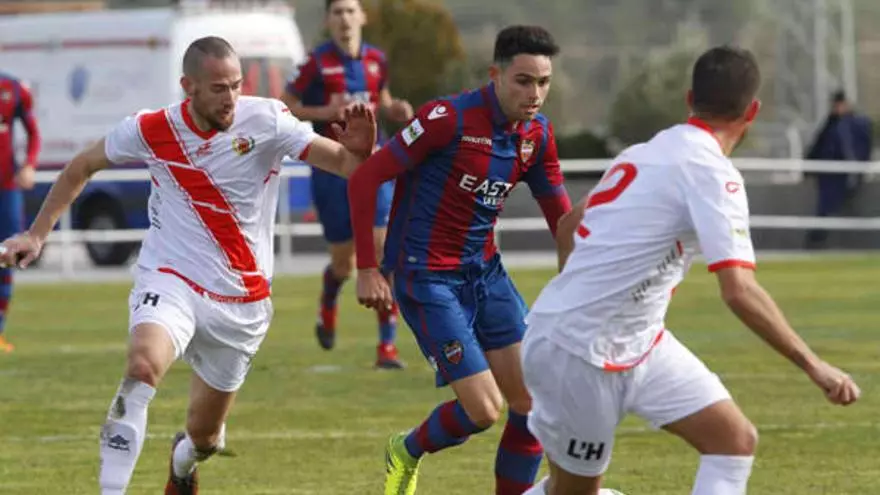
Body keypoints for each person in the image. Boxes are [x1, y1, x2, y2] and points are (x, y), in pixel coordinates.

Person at [0, 36, 378, 495]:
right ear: (188, 87)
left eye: (236, 85)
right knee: (142, 367)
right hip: (171, 277)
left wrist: (361, 153)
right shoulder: (151, 128)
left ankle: (183, 461)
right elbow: (82, 166)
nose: (231, 98)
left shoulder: (268, 120)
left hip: (243, 301)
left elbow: (347, 167)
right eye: (219, 88)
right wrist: (36, 234)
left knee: (205, 438)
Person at [519, 46, 861, 495]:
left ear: (689, 99)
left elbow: (568, 228)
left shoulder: (644, 152)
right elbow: (739, 291)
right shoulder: (713, 173)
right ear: (752, 111)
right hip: (578, 354)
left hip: (639, 342)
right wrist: (816, 366)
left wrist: (582, 299)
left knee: (733, 442)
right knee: (575, 492)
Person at [349, 25, 572, 495]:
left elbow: (562, 219)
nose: (535, 94)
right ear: (495, 75)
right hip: (426, 277)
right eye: (524, 81)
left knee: (533, 402)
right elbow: (366, 178)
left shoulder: (536, 135)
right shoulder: (446, 119)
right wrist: (368, 268)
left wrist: (584, 283)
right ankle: (406, 449)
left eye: (543, 82)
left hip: (485, 272)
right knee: (483, 411)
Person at [281, 0, 413, 368]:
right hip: (332, 170)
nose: (345, 18)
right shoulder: (315, 63)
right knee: (344, 264)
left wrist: (395, 110)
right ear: (328, 19)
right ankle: (328, 301)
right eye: (337, 12)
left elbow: (382, 100)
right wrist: (325, 112)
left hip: (375, 165)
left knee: (384, 253)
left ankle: (387, 347)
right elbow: (284, 106)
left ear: (362, 16)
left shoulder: (376, 60)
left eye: (351, 11)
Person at [0, 71, 40, 353]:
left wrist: (29, 165)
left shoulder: (13, 88)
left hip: (6, 187)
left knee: (7, 255)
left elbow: (33, 132)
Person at [804, 90, 873, 249]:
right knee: (826, 209)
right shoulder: (832, 124)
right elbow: (819, 145)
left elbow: (859, 149)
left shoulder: (853, 124)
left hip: (844, 175)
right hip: (830, 176)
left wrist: (857, 171)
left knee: (835, 210)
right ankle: (816, 241)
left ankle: (820, 241)